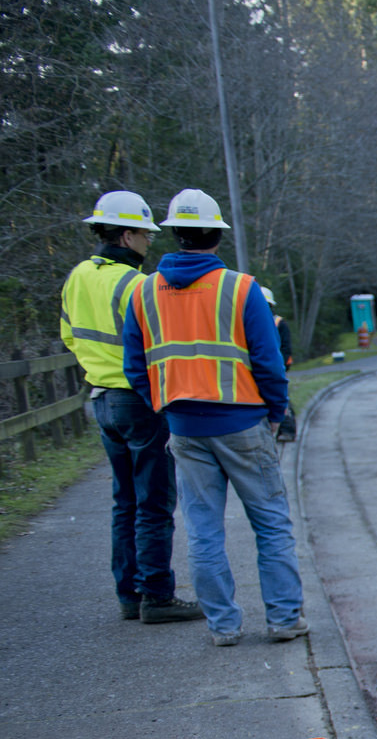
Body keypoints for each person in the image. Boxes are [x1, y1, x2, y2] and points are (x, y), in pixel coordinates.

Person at [121, 188, 304, 648]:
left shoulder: (143, 292)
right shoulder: (240, 288)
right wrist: (275, 413)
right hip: (243, 423)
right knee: (271, 523)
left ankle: (223, 626)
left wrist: (164, 406)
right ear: (216, 236)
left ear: (175, 234)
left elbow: (134, 366)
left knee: (203, 530)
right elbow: (268, 361)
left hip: (183, 427)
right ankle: (284, 620)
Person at [60, 191, 202, 625]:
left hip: (101, 399)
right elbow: (155, 346)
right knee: (154, 501)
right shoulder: (135, 285)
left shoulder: (76, 277)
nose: (149, 242)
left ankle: (129, 594)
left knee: (125, 501)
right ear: (126, 234)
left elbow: (69, 335)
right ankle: (156, 594)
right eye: (144, 233)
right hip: (138, 400)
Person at [264, 286, 297, 442]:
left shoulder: (278, 323)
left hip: (279, 365)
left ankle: (288, 430)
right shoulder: (254, 321)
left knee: (282, 396)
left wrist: (279, 365)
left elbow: (285, 347)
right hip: (268, 364)